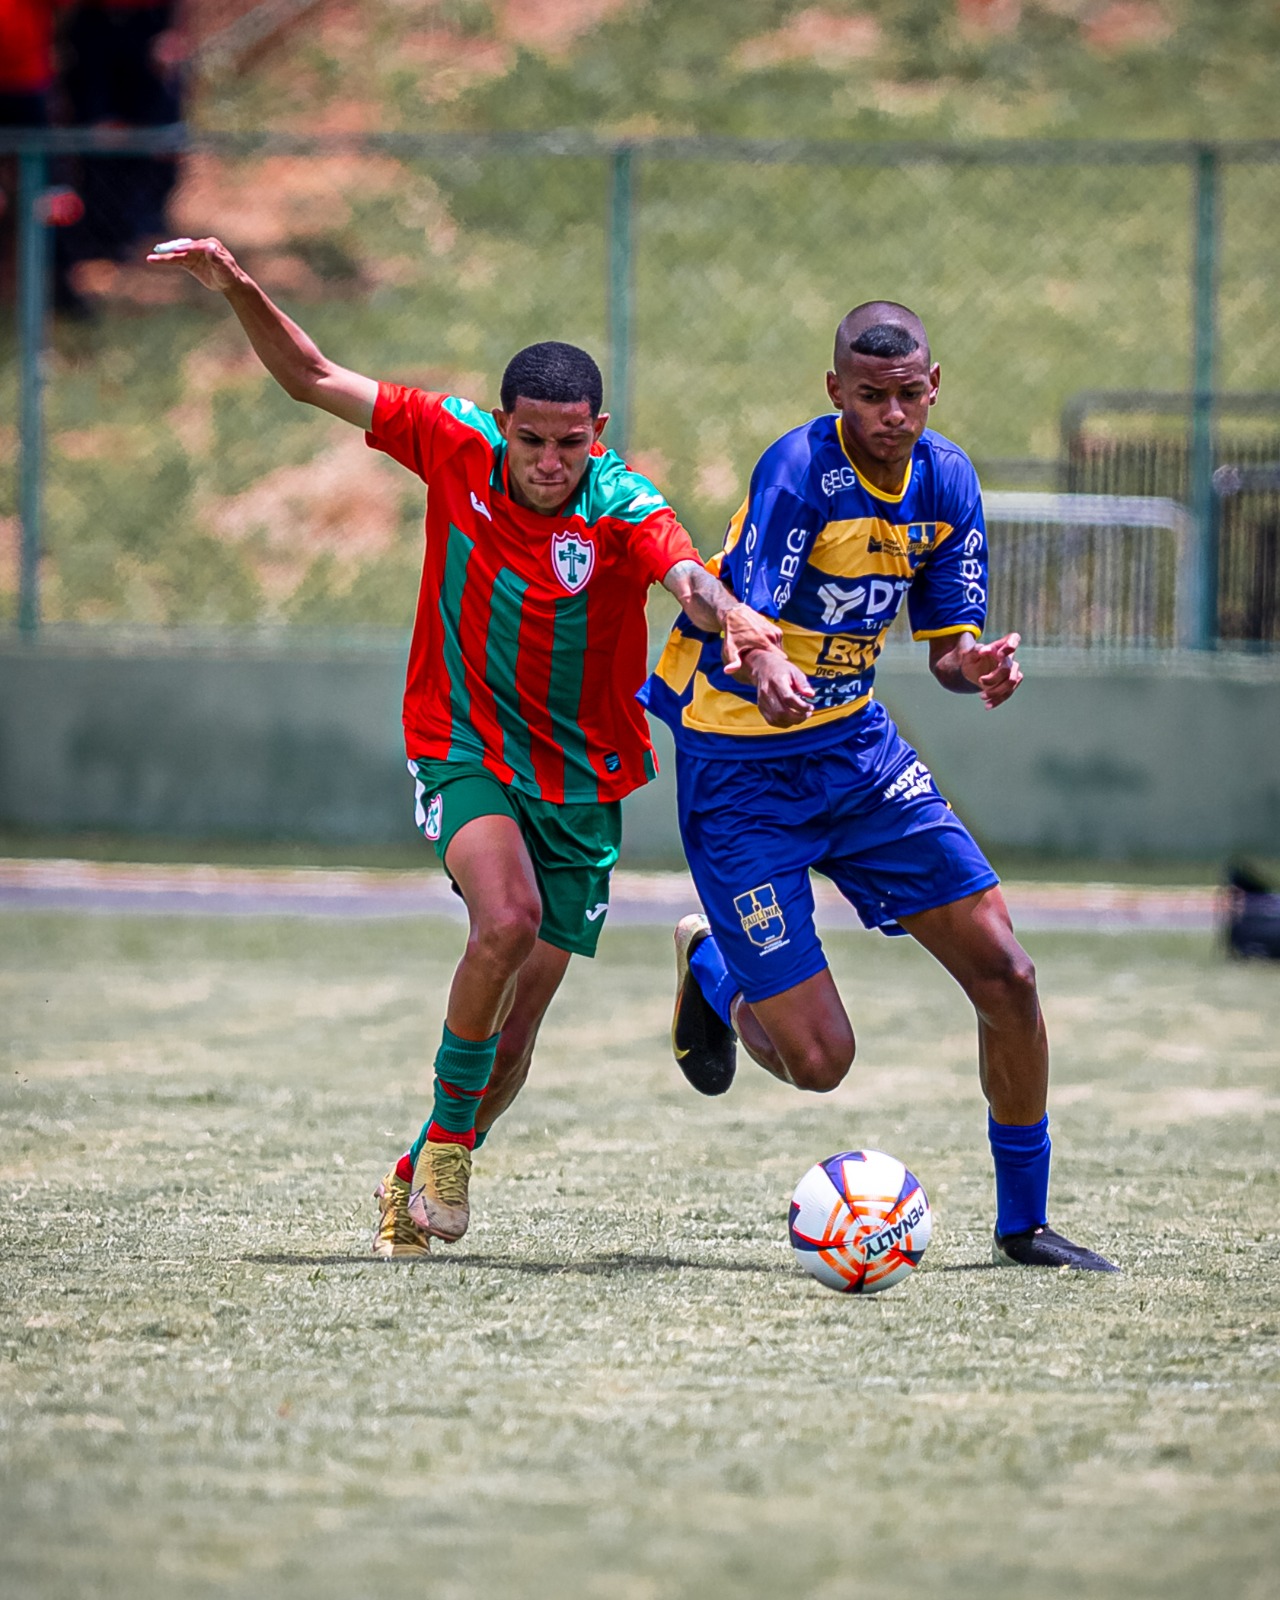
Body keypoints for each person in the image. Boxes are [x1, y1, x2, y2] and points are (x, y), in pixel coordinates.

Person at [146, 234, 783, 1260]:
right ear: (503, 424)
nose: (546, 462)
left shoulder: (622, 507)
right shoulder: (450, 440)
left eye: (568, 444)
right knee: (505, 916)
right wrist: (240, 289)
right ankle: (448, 1144)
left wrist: (735, 621)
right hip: (462, 743)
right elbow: (313, 377)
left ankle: (418, 1165)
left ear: (597, 434)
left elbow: (686, 577)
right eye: (531, 439)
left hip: (579, 780)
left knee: (514, 1037)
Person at [641, 299, 1118, 1272]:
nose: (891, 413)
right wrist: (766, 668)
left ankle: (1022, 1222)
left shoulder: (946, 481)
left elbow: (942, 649)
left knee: (1008, 976)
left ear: (932, 388)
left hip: (856, 755)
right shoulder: (798, 470)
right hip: (740, 769)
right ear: (835, 392)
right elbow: (748, 618)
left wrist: (974, 661)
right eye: (869, 396)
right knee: (817, 1063)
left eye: (908, 394)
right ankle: (713, 965)